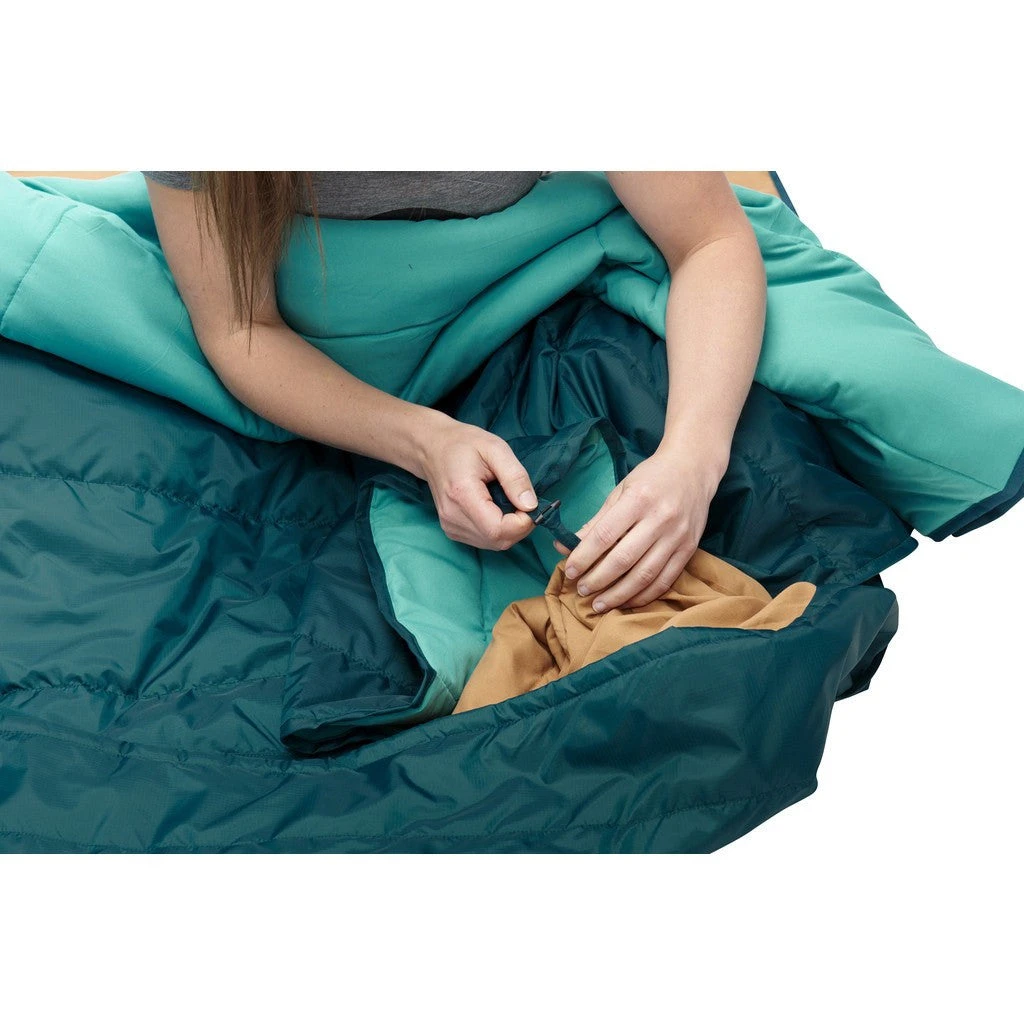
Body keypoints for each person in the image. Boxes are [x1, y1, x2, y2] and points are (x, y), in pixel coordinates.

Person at [145, 170, 767, 613]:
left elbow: (708, 240)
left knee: (763, 502)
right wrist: (426, 442)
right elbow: (241, 329)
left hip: (530, 298)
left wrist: (691, 461)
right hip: (312, 372)